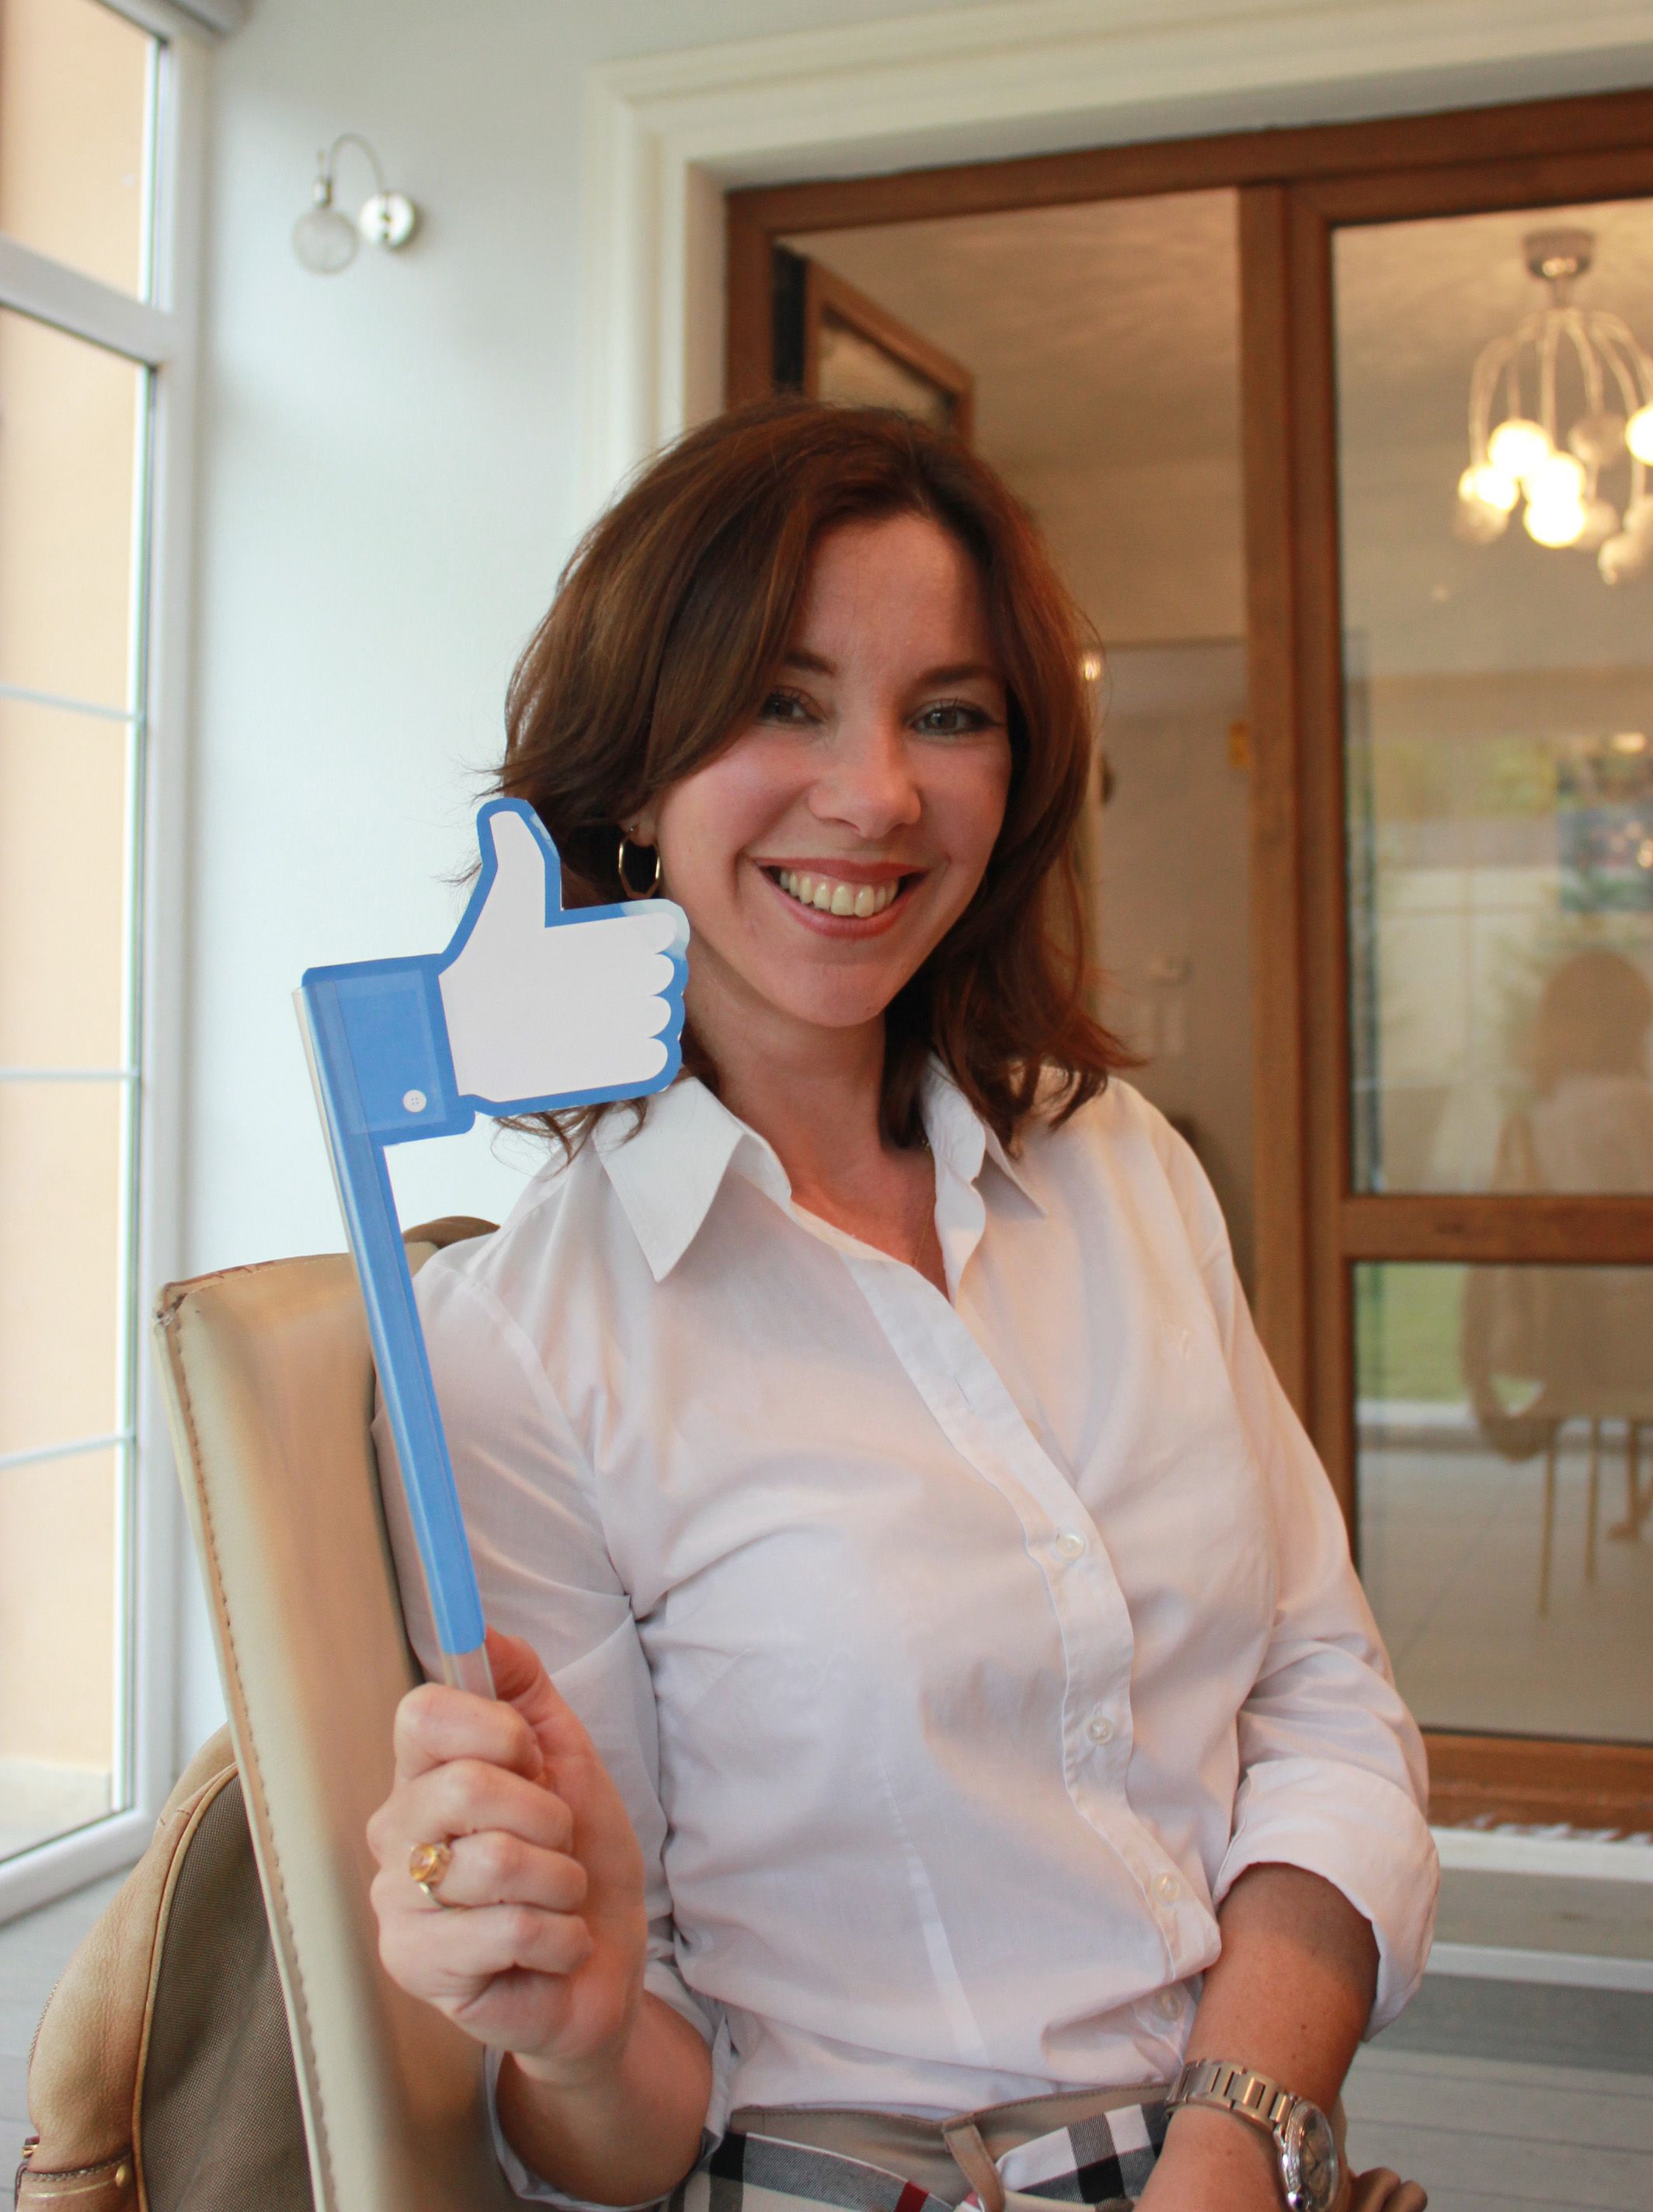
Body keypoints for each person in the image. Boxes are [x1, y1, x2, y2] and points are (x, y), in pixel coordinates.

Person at [366, 399, 1436, 2212]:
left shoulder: (1120, 1165)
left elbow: (1322, 1701)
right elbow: (614, 2128)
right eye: (781, 702)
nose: (874, 792)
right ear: (628, 779)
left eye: (948, 712)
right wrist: (573, 2025)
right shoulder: (517, 1351)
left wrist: (1231, 2139)